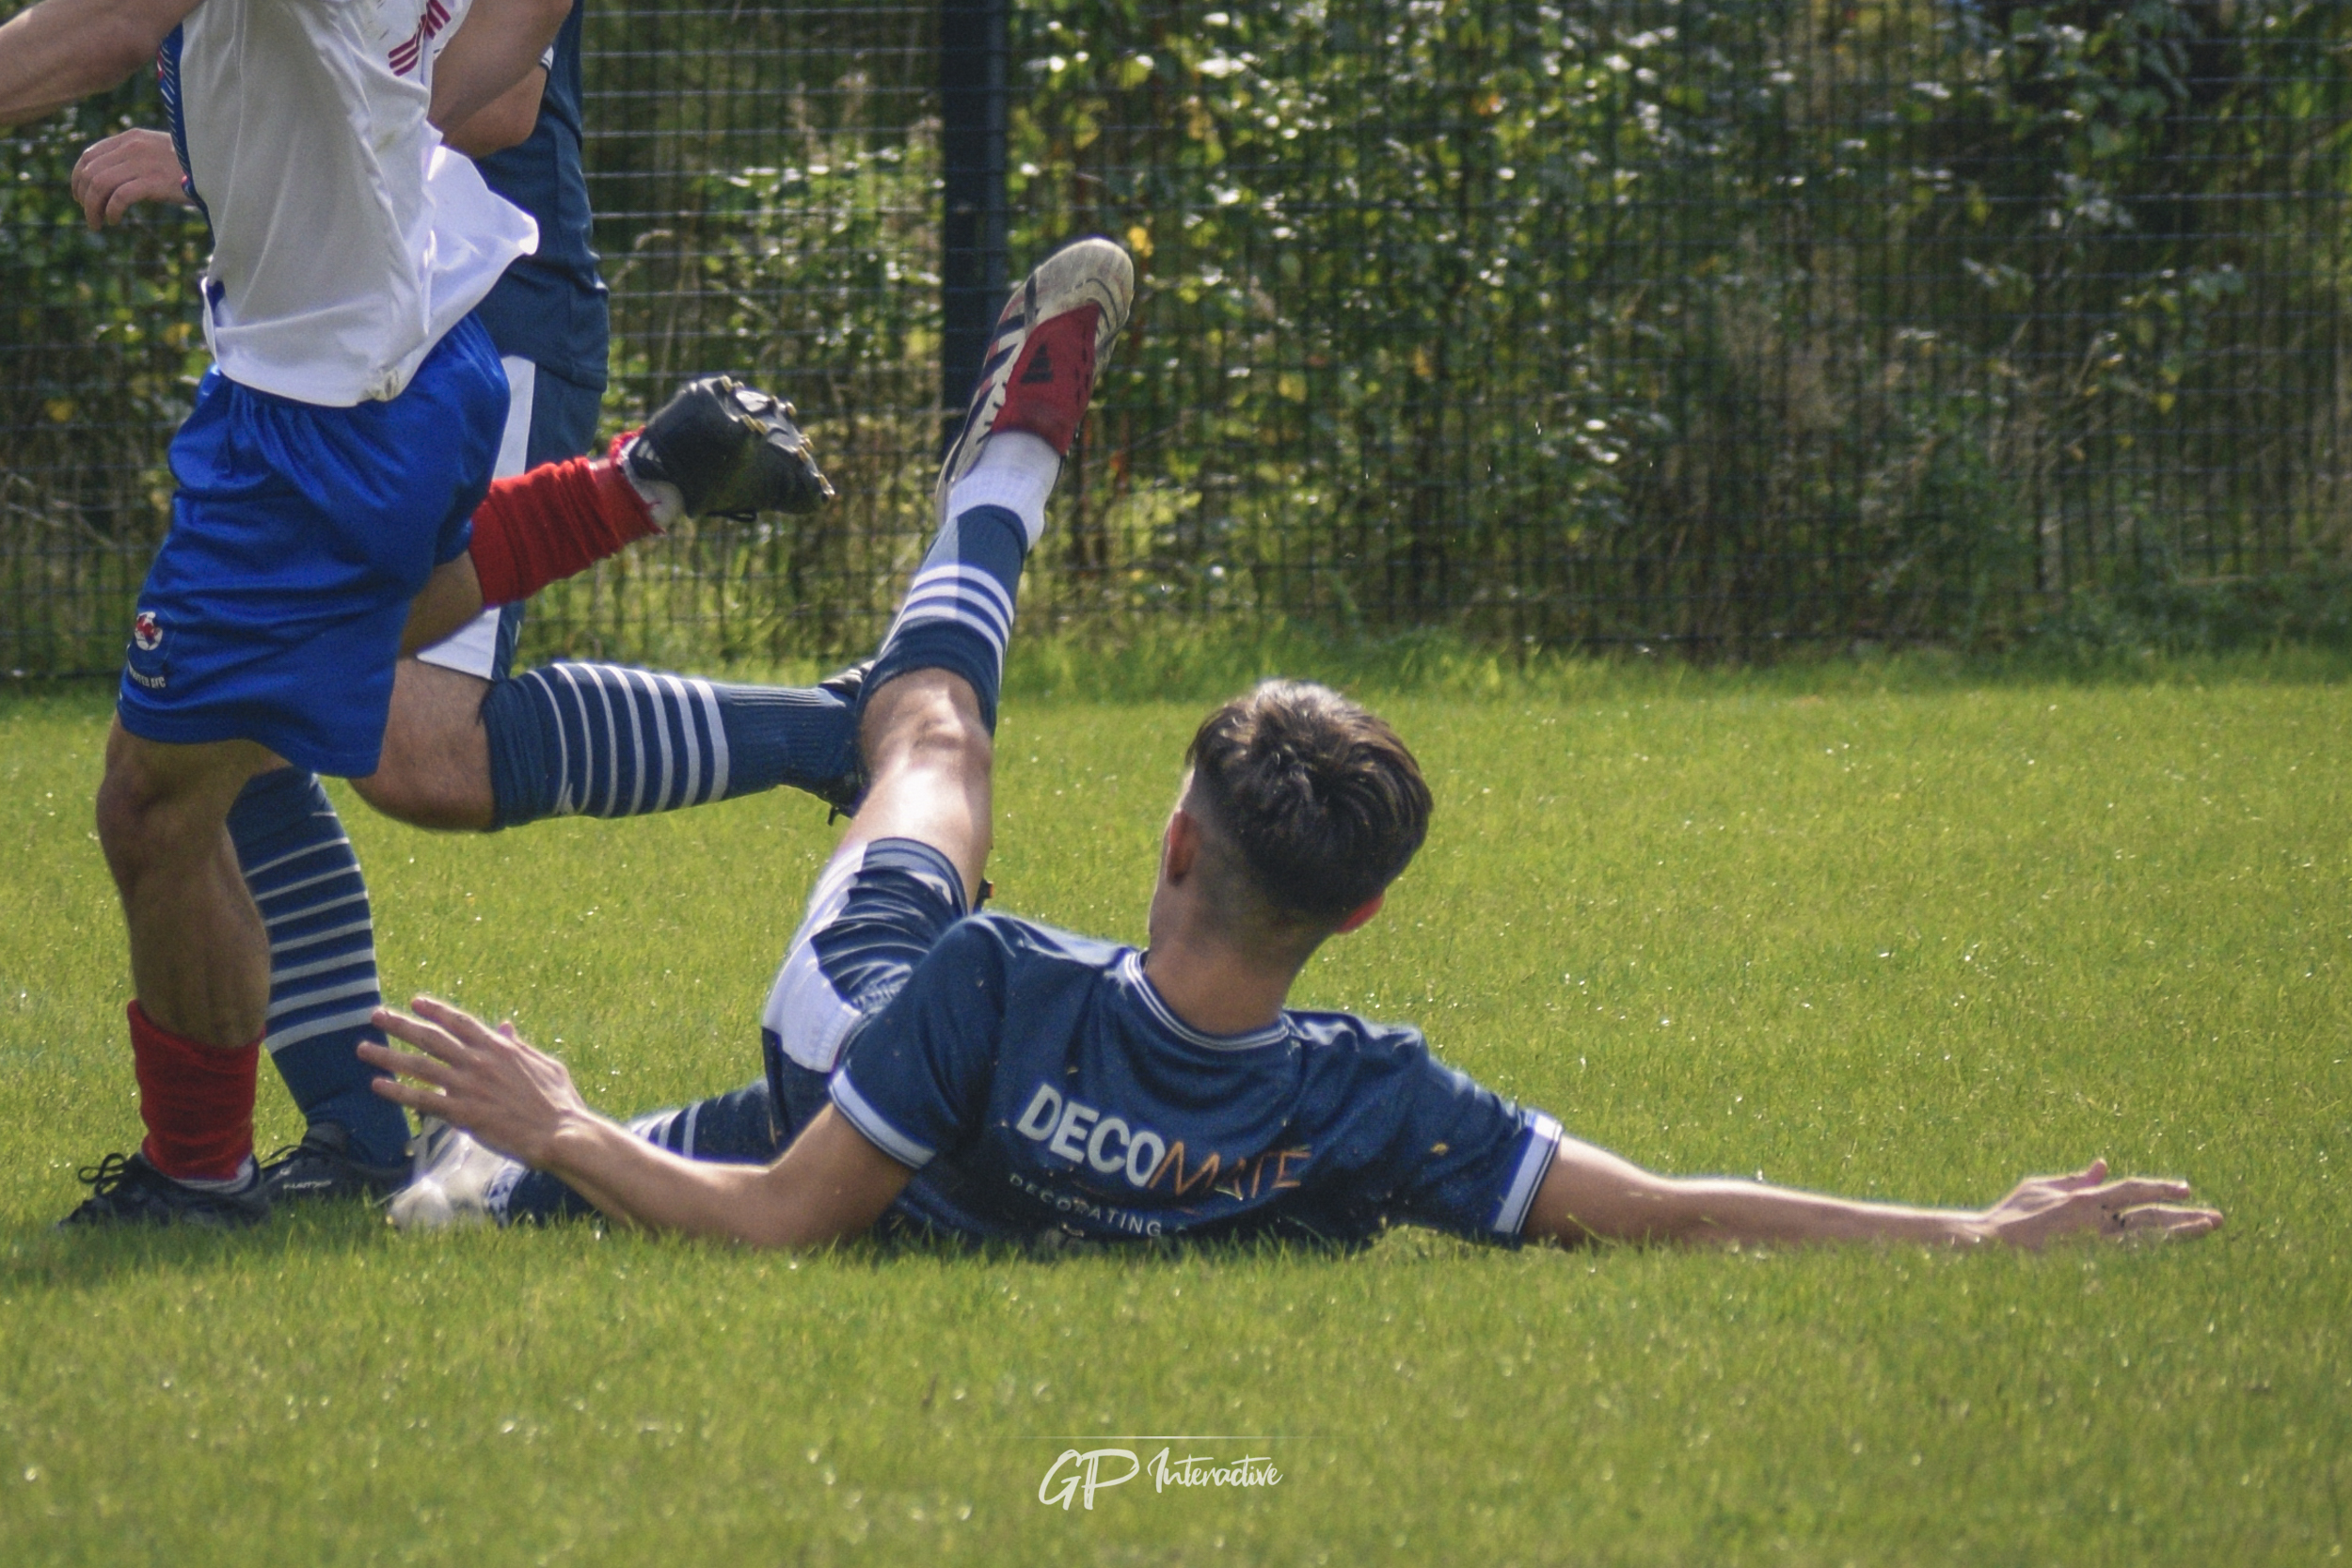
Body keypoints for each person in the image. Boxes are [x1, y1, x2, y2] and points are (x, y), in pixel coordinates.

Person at [364, 238, 2225, 1256]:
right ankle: (983, 497)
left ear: (1174, 841)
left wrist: (560, 1118)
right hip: (944, 1104)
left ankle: (998, 474)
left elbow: (783, 1216)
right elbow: (1652, 1204)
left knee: (930, 729)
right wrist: (1960, 1229)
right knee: (902, 860)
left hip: (854, 1021)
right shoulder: (1366, 1100)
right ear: (1367, 905)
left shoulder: (986, 983)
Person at [68, 0, 867, 1207]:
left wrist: (221, 155)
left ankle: (824, 723)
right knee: (238, 727)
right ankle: (347, 1137)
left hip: (473, 293)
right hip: (380, 302)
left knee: (410, 749)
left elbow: (495, 97)